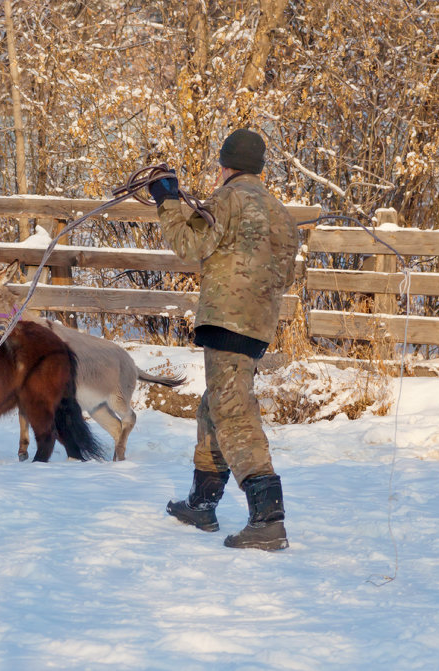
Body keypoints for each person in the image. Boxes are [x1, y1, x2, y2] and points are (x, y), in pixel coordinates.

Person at [146, 129, 301, 551]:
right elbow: (286, 275)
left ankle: (268, 517)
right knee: (214, 405)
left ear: (225, 165)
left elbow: (187, 243)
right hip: (259, 325)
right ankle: (202, 503)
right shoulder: (282, 214)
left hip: (227, 321)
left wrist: (167, 200)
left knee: (231, 411)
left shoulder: (228, 200)